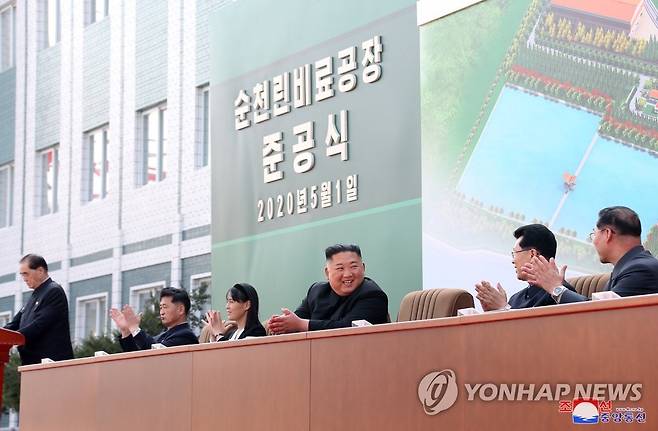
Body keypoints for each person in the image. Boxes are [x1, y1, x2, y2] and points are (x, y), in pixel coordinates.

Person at [524, 206, 658, 303]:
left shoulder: (641, 270)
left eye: (594, 234)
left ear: (607, 234)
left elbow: (600, 313)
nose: (593, 240)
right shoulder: (631, 267)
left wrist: (555, 288)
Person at [267, 244, 389, 334]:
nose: (347, 274)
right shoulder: (316, 291)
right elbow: (297, 319)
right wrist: (281, 324)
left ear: (363, 268)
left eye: (353, 267)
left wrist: (301, 324)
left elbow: (348, 329)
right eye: (340, 268)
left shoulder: (373, 295)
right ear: (327, 272)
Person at [475, 224, 574, 310]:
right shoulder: (515, 299)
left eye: (515, 253)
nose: (513, 261)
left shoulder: (562, 295)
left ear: (532, 254)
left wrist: (504, 309)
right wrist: (493, 313)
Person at [4, 254, 74, 365]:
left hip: (51, 364)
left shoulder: (53, 291)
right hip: (32, 363)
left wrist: (11, 340)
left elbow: (39, 325)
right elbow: (14, 323)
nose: (24, 279)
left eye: (26, 274)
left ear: (40, 271)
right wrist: (3, 336)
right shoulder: (35, 295)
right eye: (22, 275)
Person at [110, 287, 198, 351]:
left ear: (181, 309)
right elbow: (137, 359)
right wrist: (126, 332)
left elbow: (156, 353)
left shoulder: (186, 336)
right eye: (160, 308)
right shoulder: (160, 337)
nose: (161, 312)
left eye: (165, 307)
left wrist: (134, 328)